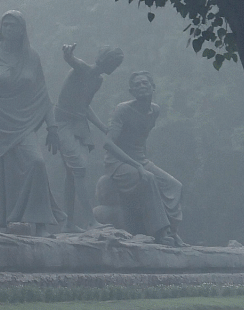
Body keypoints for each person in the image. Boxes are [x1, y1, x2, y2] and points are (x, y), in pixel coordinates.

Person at [0, 10, 64, 236]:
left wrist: (52, 127)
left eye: (13, 25)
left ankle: (39, 221)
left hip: (23, 120)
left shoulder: (31, 56)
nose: (8, 29)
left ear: (22, 30)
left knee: (36, 163)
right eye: (5, 25)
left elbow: (42, 93)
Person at [101, 71, 185, 245]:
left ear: (153, 87)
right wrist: (138, 167)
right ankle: (161, 232)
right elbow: (108, 144)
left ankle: (173, 231)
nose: (141, 87)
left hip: (141, 160)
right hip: (117, 162)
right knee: (148, 178)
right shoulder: (122, 110)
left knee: (174, 185)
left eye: (145, 83)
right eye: (137, 85)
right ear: (131, 91)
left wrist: (143, 163)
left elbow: (140, 139)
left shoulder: (155, 110)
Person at [55, 44, 125, 231]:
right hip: (62, 123)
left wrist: (103, 127)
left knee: (71, 174)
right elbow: (72, 61)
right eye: (114, 62)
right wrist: (68, 54)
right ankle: (90, 221)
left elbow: (84, 105)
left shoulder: (98, 81)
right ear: (105, 59)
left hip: (79, 125)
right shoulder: (84, 69)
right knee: (79, 167)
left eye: (117, 65)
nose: (114, 67)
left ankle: (68, 224)